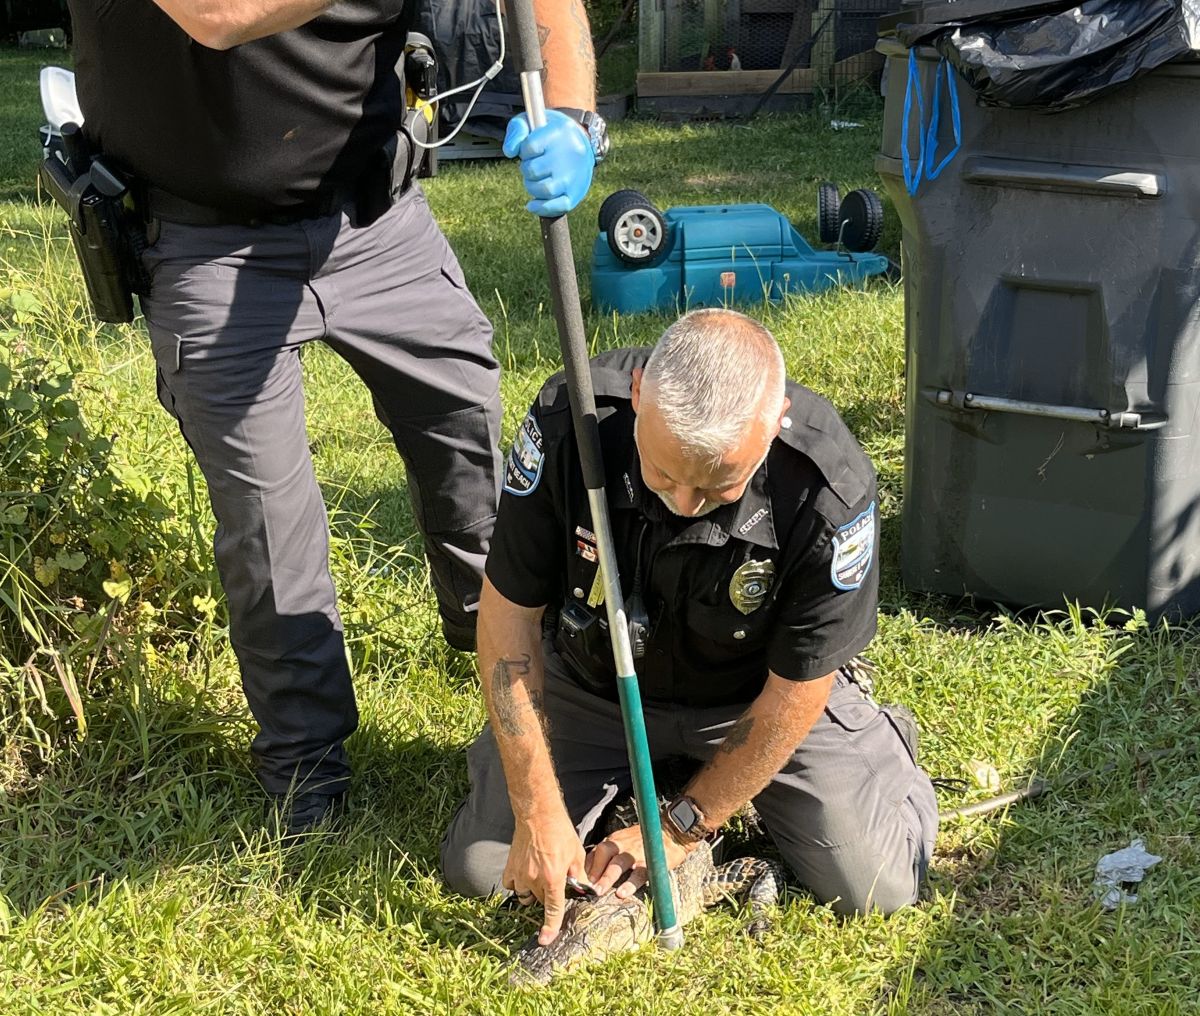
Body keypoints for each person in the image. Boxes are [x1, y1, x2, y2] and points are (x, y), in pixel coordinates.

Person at [65, 0, 605, 833]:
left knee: (467, 447)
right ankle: (306, 774)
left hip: (379, 226)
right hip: (205, 239)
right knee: (270, 525)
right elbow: (217, 13)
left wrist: (571, 116)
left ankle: (512, 670)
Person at [441, 309, 938, 945]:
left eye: (717, 486)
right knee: (482, 870)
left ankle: (878, 746)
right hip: (593, 684)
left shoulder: (825, 487)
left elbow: (796, 689)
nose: (683, 503)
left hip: (750, 699)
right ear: (642, 392)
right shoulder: (572, 425)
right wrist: (538, 809)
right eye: (664, 473)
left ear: (770, 425)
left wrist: (680, 829)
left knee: (878, 884)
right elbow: (508, 622)